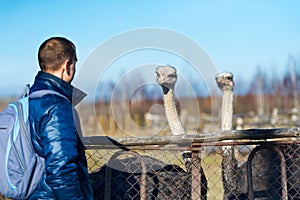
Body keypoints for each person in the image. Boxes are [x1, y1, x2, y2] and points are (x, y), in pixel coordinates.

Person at [28, 37, 94, 200]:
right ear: (67, 64)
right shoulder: (56, 106)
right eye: (74, 63)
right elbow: (61, 170)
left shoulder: (30, 98)